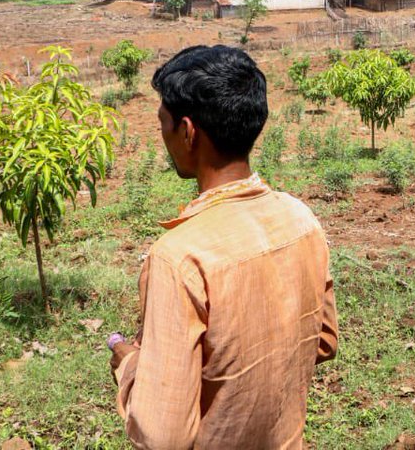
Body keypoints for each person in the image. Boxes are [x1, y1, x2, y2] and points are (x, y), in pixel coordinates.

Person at [109, 44, 337, 449]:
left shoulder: (180, 258)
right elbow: (324, 341)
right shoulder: (301, 220)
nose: (163, 136)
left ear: (187, 132)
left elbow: (163, 436)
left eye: (163, 123)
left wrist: (130, 366)